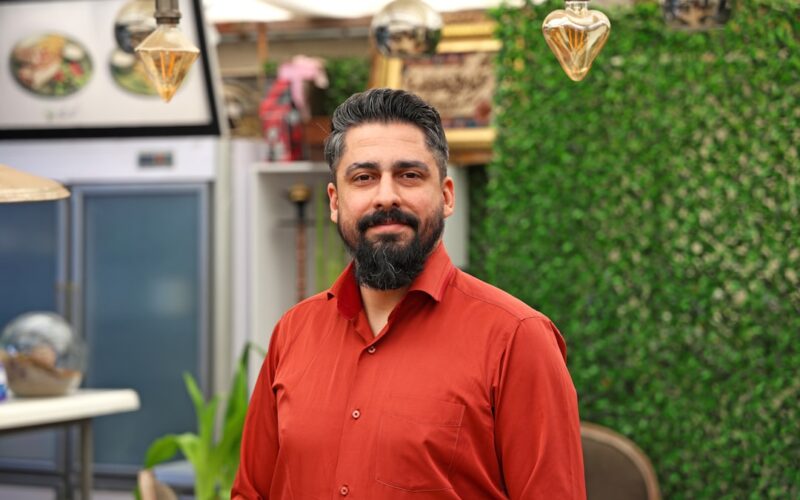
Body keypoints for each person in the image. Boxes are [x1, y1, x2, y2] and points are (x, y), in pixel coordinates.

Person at [232, 88, 586, 499]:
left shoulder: (518, 339)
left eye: (409, 175)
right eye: (363, 178)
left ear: (446, 195)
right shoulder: (293, 332)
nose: (386, 196)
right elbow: (252, 492)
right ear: (334, 201)